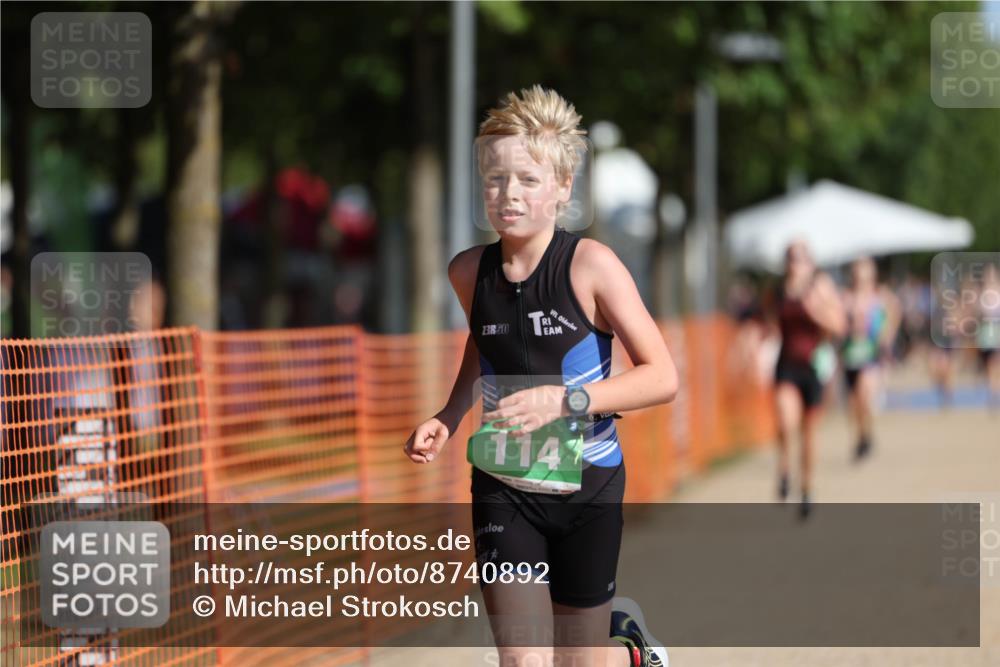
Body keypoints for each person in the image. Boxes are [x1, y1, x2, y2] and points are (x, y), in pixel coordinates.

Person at [404, 86, 678, 667]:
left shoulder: (592, 267)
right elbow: (487, 344)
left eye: (528, 180)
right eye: (498, 179)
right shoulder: (466, 273)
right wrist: (449, 415)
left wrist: (568, 401)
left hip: (589, 488)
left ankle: (622, 643)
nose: (510, 194)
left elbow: (662, 377)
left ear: (561, 189)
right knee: (525, 661)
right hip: (504, 486)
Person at [766, 241, 846, 518]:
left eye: (800, 258)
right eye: (790, 257)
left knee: (809, 434)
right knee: (786, 422)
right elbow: (770, 324)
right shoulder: (778, 290)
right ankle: (785, 468)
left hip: (813, 367)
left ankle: (807, 489)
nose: (794, 263)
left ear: (810, 262)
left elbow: (839, 326)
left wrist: (816, 311)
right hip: (786, 365)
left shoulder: (820, 287)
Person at [839, 257, 900, 460]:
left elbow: (894, 313)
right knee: (853, 403)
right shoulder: (845, 297)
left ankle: (867, 433)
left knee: (865, 395)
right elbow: (837, 323)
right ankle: (862, 436)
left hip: (871, 354)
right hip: (850, 354)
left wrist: (887, 334)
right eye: (857, 272)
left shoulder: (880, 296)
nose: (860, 276)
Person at [975, 264, 1000, 410]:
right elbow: (978, 313)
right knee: (989, 365)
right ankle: (993, 391)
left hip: (996, 331)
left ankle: (994, 393)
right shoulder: (981, 293)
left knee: (994, 364)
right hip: (986, 333)